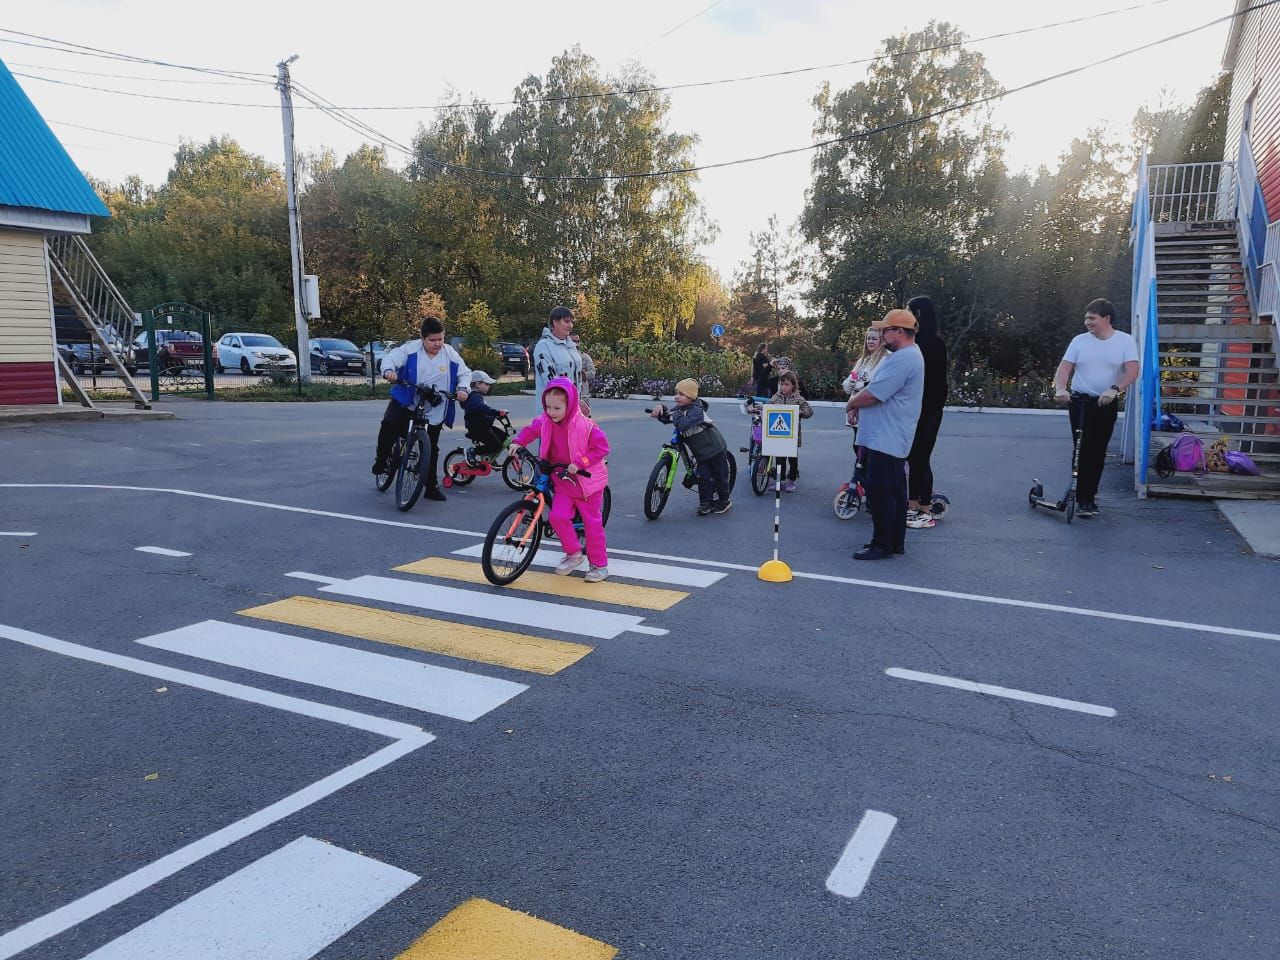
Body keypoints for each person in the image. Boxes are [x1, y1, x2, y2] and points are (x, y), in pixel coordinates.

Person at [509, 376, 611, 582]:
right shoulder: (545, 421)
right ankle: (573, 553)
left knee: (592, 524)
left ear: (571, 405)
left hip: (586, 483)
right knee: (557, 517)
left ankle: (599, 565)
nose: (550, 412)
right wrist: (518, 442)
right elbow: (531, 429)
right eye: (547, 407)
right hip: (563, 480)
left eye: (556, 408)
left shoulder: (586, 426)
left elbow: (602, 449)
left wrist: (581, 462)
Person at [846, 309, 924, 560]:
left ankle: (881, 544)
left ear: (899, 332)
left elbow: (874, 393)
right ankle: (894, 541)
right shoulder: (907, 356)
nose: (881, 334)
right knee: (895, 492)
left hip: (886, 437)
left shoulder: (903, 359)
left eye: (885, 330)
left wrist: (852, 404)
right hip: (888, 436)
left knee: (880, 492)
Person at [1052, 297, 1139, 518]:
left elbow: (1132, 371)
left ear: (1106, 318)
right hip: (1080, 402)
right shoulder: (1079, 341)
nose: (1087, 322)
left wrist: (1115, 389)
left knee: (1097, 451)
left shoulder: (1125, 341)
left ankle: (1089, 498)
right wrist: (1061, 389)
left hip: (1105, 403)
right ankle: (1080, 497)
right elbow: (1064, 369)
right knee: (1082, 448)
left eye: (1092, 318)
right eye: (1086, 318)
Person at [373, 316, 470, 501]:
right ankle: (382, 460)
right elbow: (390, 359)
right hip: (408, 398)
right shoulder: (410, 349)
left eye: (440, 339)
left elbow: (465, 373)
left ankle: (431, 487)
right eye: (432, 340)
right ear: (423, 338)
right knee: (389, 423)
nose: (437, 344)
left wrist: (463, 388)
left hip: (434, 403)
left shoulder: (449, 353)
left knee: (432, 446)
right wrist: (389, 371)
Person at [649, 378, 733, 516]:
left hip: (714, 448)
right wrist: (660, 408)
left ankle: (724, 501)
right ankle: (704, 503)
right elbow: (669, 415)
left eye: (681, 394)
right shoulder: (682, 408)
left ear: (692, 396)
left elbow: (682, 424)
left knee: (720, 476)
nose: (677, 397)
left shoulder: (696, 411)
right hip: (701, 452)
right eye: (676, 393)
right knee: (703, 477)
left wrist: (673, 415)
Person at [905, 295, 949, 529]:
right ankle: (916, 504)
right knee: (914, 457)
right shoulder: (913, 341)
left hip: (929, 409)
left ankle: (920, 507)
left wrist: (927, 407)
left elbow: (937, 382)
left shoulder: (933, 343)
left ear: (919, 315)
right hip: (914, 408)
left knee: (920, 457)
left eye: (909, 311)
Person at [767, 371, 814, 492]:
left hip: (792, 435)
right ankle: (780, 480)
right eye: (782, 384)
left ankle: (791, 480)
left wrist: (801, 412)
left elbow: (809, 410)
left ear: (793, 385)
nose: (783, 387)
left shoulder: (798, 398)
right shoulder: (776, 397)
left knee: (792, 459)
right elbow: (768, 405)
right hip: (778, 434)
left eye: (787, 384)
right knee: (779, 458)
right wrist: (763, 409)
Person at [533, 305, 584, 403]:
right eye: (566, 321)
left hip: (572, 406)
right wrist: (567, 403)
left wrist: (578, 402)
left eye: (571, 322)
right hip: (554, 408)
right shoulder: (544, 346)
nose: (570, 325)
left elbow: (577, 379)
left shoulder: (571, 345)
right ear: (555, 322)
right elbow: (551, 381)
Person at [462, 370, 508, 460]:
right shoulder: (475, 397)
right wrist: (497, 412)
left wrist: (496, 415)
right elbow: (482, 408)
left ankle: (488, 456)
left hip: (483, 426)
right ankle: (473, 451)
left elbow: (482, 411)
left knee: (504, 437)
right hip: (477, 428)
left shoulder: (476, 396)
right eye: (487, 384)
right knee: (496, 445)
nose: (489, 386)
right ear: (478, 384)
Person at [570, 332, 596, 416]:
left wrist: (582, 374)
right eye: (573, 341)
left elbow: (592, 373)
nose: (576, 343)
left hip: (583, 395)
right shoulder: (562, 357)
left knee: (586, 421)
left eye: (578, 341)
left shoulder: (585, 357)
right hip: (568, 395)